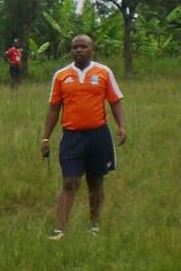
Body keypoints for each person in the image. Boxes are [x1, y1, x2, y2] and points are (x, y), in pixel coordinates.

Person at [40, 34, 126, 240]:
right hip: (71, 137)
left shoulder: (104, 72)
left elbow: (115, 101)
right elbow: (54, 108)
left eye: (83, 46)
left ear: (92, 49)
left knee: (96, 181)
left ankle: (94, 225)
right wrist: (45, 138)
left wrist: (122, 126)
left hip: (98, 136)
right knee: (69, 182)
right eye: (74, 47)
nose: (78, 50)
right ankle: (60, 229)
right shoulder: (61, 76)